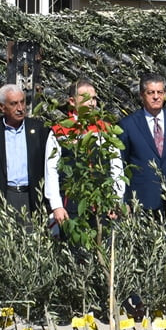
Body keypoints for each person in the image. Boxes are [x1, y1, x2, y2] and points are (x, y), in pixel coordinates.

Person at [45, 78, 124, 228]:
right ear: (72, 101)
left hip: (103, 203)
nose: (91, 103)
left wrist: (116, 200)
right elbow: (51, 170)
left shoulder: (106, 129)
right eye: (86, 98)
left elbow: (116, 166)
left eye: (94, 98)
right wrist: (56, 205)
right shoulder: (60, 131)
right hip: (72, 204)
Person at [119, 73, 166, 212]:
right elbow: (122, 165)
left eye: (160, 92)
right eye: (151, 92)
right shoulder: (128, 125)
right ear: (142, 95)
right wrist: (124, 200)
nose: (156, 97)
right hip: (141, 201)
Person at [0, 83, 49, 212]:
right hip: (2, 198)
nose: (20, 108)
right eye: (14, 104)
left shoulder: (40, 130)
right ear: (2, 107)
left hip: (31, 197)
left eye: (22, 102)